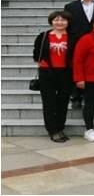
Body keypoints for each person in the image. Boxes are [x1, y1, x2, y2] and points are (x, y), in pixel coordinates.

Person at [33, 11, 77, 142]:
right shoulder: (43, 36)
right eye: (56, 20)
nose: (60, 22)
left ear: (68, 22)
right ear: (51, 22)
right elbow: (36, 53)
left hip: (66, 73)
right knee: (49, 102)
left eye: (63, 20)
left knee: (63, 102)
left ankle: (60, 128)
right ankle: (52, 130)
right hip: (47, 73)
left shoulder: (73, 37)